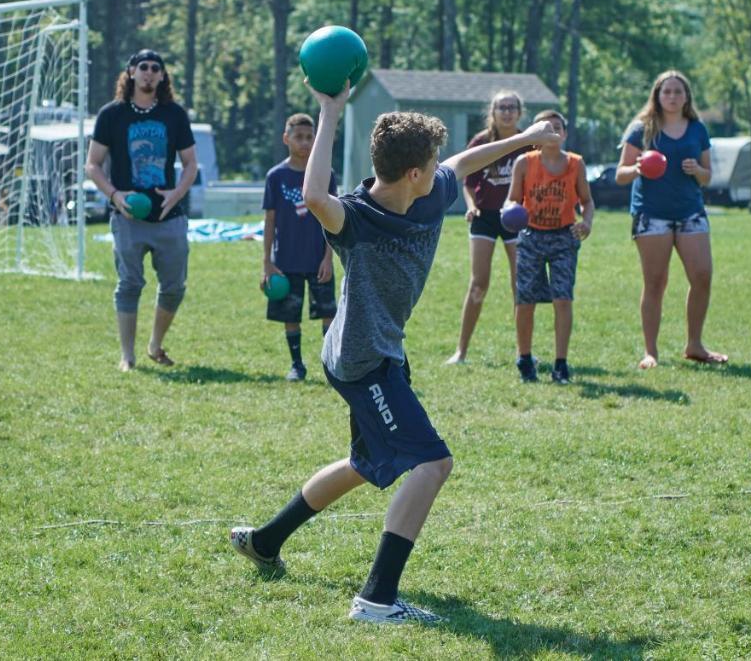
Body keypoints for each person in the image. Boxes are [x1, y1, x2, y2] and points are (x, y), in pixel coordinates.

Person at [230, 80, 558, 625]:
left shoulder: (430, 193)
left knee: (367, 463)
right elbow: (314, 197)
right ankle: (377, 599)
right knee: (433, 462)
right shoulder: (355, 219)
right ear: (412, 171)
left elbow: (464, 157)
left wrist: (523, 138)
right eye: (430, 162)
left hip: (371, 353)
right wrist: (330, 110)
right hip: (364, 362)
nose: (440, 168)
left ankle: (265, 540)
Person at [85, 49, 199, 371]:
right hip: (128, 218)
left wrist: (176, 194)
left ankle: (155, 344)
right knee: (129, 285)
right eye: (143, 67)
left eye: (155, 68)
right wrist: (115, 196)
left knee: (175, 287)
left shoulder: (174, 114)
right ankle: (128, 356)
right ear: (131, 72)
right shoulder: (112, 114)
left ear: (162, 76)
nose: (149, 73)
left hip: (168, 216)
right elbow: (92, 165)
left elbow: (190, 164)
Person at [615, 70, 727, 369]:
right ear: (657, 95)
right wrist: (638, 167)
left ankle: (695, 344)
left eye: (678, 92)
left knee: (702, 276)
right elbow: (620, 174)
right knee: (655, 282)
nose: (673, 97)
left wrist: (696, 171)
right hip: (651, 214)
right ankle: (650, 352)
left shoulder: (697, 129)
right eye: (667, 92)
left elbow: (707, 177)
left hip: (690, 211)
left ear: (686, 96)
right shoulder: (642, 129)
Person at [506, 110, 594, 384]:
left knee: (563, 298)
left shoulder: (575, 164)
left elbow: (587, 202)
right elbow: (512, 200)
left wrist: (586, 222)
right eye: (546, 128)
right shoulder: (524, 163)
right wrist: (509, 212)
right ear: (536, 135)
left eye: (557, 128)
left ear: (565, 134)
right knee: (525, 299)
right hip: (531, 237)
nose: (553, 132)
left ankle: (561, 364)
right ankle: (525, 359)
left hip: (563, 238)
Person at [447, 90, 526, 365]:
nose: (506, 112)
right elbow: (468, 180)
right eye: (501, 107)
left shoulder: (526, 142)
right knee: (479, 283)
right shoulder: (481, 141)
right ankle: (461, 351)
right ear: (492, 112)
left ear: (519, 112)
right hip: (485, 216)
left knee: (521, 285)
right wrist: (470, 205)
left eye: (511, 107)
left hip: (516, 217)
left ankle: (523, 352)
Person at [262, 113, 337, 382]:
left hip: (318, 258)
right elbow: (270, 221)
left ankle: (332, 368)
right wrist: (267, 263)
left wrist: (329, 257)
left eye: (310, 137)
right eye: (299, 137)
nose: (305, 142)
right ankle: (297, 365)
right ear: (286, 139)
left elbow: (333, 217)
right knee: (289, 314)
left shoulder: (324, 174)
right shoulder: (276, 176)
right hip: (285, 260)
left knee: (327, 313)